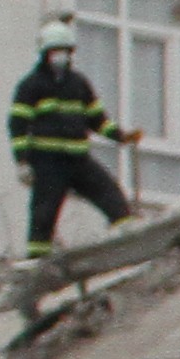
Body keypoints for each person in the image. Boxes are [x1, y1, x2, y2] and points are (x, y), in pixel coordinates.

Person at [10, 17, 132, 254]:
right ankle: (36, 264)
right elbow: (18, 125)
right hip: (48, 163)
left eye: (65, 51)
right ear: (45, 53)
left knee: (113, 199)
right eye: (56, 51)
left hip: (78, 160)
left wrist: (120, 136)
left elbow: (96, 119)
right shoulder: (31, 86)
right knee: (43, 215)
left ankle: (130, 244)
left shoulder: (78, 84)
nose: (61, 56)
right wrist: (22, 161)